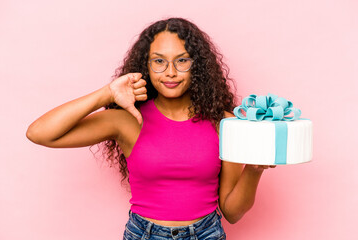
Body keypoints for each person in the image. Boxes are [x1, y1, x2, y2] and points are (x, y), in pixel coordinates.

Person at [26, 17, 275, 240]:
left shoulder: (224, 124)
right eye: (159, 61)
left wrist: (254, 170)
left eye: (182, 61)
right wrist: (106, 94)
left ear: (197, 65)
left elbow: (232, 213)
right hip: (143, 234)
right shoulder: (127, 120)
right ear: (146, 65)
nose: (170, 72)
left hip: (206, 234)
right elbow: (39, 133)